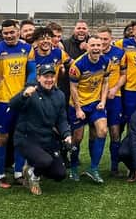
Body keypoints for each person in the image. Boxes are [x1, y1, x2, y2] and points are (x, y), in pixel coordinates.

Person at [0, 19, 36, 188]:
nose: (9, 36)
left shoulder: (28, 49)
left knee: (20, 137)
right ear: (2, 33)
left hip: (22, 100)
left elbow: (33, 70)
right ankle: (0, 175)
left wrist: (28, 86)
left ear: (18, 32)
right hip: (2, 101)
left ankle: (18, 173)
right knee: (2, 138)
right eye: (5, 33)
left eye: (12, 32)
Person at [10, 64, 71, 196]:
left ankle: (32, 167)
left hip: (47, 139)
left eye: (51, 76)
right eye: (46, 76)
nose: (49, 80)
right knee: (44, 161)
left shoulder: (59, 95)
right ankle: (33, 175)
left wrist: (67, 134)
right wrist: (24, 95)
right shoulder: (30, 91)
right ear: (38, 77)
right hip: (26, 138)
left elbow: (62, 119)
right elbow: (13, 104)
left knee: (60, 174)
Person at [68, 34, 110, 183]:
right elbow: (73, 88)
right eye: (93, 45)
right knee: (77, 138)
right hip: (78, 104)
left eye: (99, 45)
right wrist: (78, 109)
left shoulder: (106, 61)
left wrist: (103, 101)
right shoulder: (78, 65)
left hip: (95, 104)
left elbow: (105, 82)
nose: (96, 48)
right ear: (87, 46)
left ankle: (94, 168)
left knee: (102, 131)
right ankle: (73, 168)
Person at [98, 26, 127, 176]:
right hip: (97, 99)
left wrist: (115, 88)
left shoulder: (119, 53)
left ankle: (114, 167)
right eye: (100, 39)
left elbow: (123, 75)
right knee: (97, 132)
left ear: (111, 39)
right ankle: (94, 166)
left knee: (115, 132)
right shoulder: (92, 53)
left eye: (105, 39)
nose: (102, 42)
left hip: (115, 98)